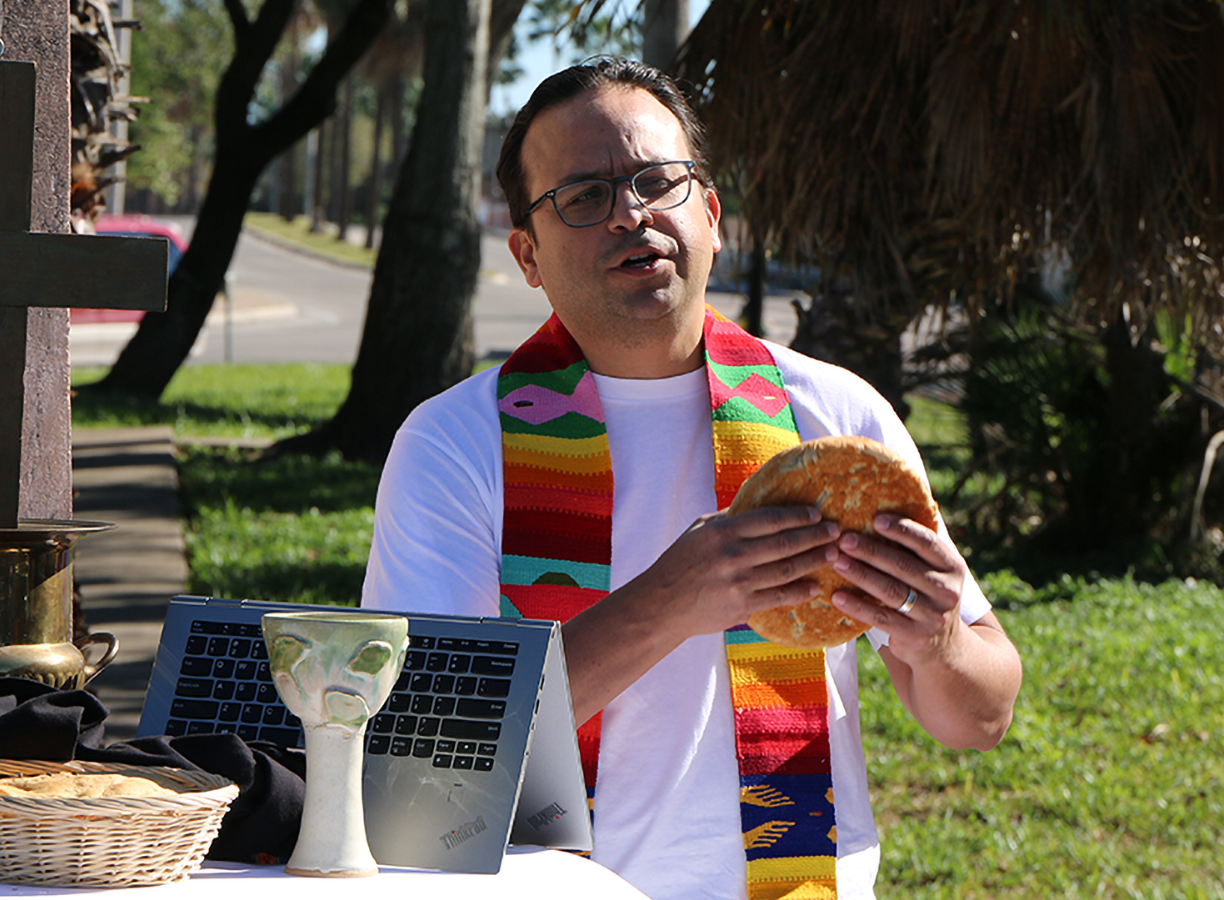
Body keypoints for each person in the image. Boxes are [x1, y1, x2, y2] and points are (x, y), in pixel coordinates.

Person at [362, 58, 1022, 900]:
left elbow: (981, 716)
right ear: (527, 254)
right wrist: (674, 599)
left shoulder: (838, 416)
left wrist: (939, 644)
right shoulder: (453, 445)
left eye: (654, 181)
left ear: (711, 216)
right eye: (584, 196)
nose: (631, 213)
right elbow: (429, 756)